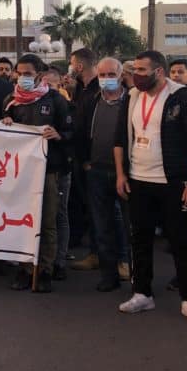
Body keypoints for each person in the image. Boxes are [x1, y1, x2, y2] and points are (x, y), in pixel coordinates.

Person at [114, 50, 187, 324]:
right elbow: (120, 139)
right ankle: (142, 293)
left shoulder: (182, 96)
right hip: (138, 180)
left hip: (173, 182)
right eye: (135, 70)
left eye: (142, 70)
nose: (136, 75)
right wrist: (121, 174)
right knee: (139, 238)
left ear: (159, 72)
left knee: (181, 241)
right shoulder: (131, 96)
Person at [2, 54, 73, 293]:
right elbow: (0, 133)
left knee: (48, 222)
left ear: (40, 75)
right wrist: (4, 125)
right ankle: (24, 269)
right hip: (19, 173)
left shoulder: (55, 100)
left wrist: (59, 135)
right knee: (23, 221)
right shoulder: (11, 101)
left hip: (49, 171)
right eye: (19, 73)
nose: (23, 78)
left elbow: (72, 131)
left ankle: (45, 271)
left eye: (28, 74)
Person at [75, 57, 132, 291]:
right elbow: (80, 132)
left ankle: (131, 268)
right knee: (102, 225)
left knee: (131, 226)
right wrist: (86, 162)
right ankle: (109, 276)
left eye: (111, 74)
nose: (106, 79)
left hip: (127, 173)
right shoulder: (91, 101)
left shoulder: (133, 101)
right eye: (102, 75)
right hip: (97, 172)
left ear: (120, 75)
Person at [69, 48, 102, 272]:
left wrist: (91, 158)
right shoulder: (80, 88)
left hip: (95, 160)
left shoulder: (100, 89)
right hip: (79, 157)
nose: (70, 68)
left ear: (79, 66)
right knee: (88, 208)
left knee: (100, 211)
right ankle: (94, 253)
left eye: (72, 64)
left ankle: (108, 257)